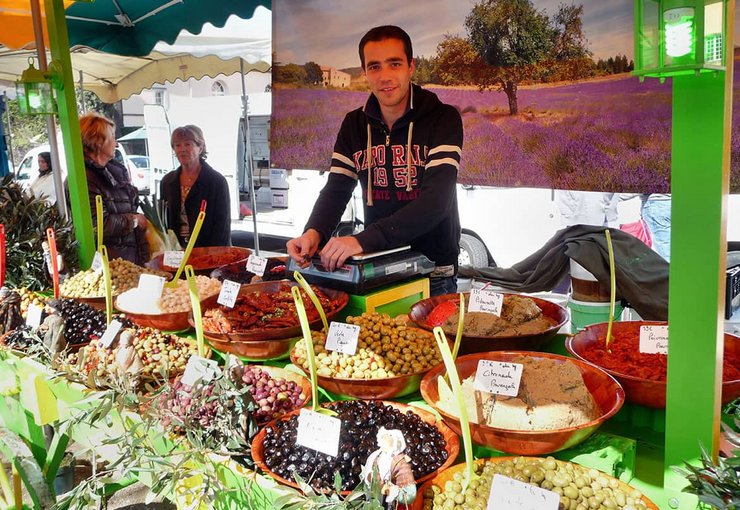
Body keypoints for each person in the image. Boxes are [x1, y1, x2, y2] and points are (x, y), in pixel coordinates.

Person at [287, 25, 463, 296]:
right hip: (377, 267)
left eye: (394, 64)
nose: (385, 76)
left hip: (433, 271)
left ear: (410, 66)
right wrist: (314, 232)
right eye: (375, 67)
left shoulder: (443, 118)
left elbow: (435, 203)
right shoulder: (354, 124)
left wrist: (361, 240)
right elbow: (336, 190)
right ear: (365, 71)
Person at [79, 112, 148, 264]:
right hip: (109, 265)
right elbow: (98, 224)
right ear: (98, 141)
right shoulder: (84, 180)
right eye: (112, 137)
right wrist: (134, 220)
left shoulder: (114, 172)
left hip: (127, 259)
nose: (116, 143)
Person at [160, 125, 231, 248]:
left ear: (201, 147)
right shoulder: (167, 181)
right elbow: (163, 219)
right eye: (177, 145)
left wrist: (213, 254)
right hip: (175, 250)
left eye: (188, 144)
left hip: (207, 250)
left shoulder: (216, 181)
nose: (182, 149)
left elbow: (222, 225)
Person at [362, 427, 416, 508]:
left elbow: (410, 494)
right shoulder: (375, 456)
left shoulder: (400, 462)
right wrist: (374, 481)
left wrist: (393, 491)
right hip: (373, 497)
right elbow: (368, 474)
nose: (384, 438)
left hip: (390, 503)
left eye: (388, 435)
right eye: (383, 435)